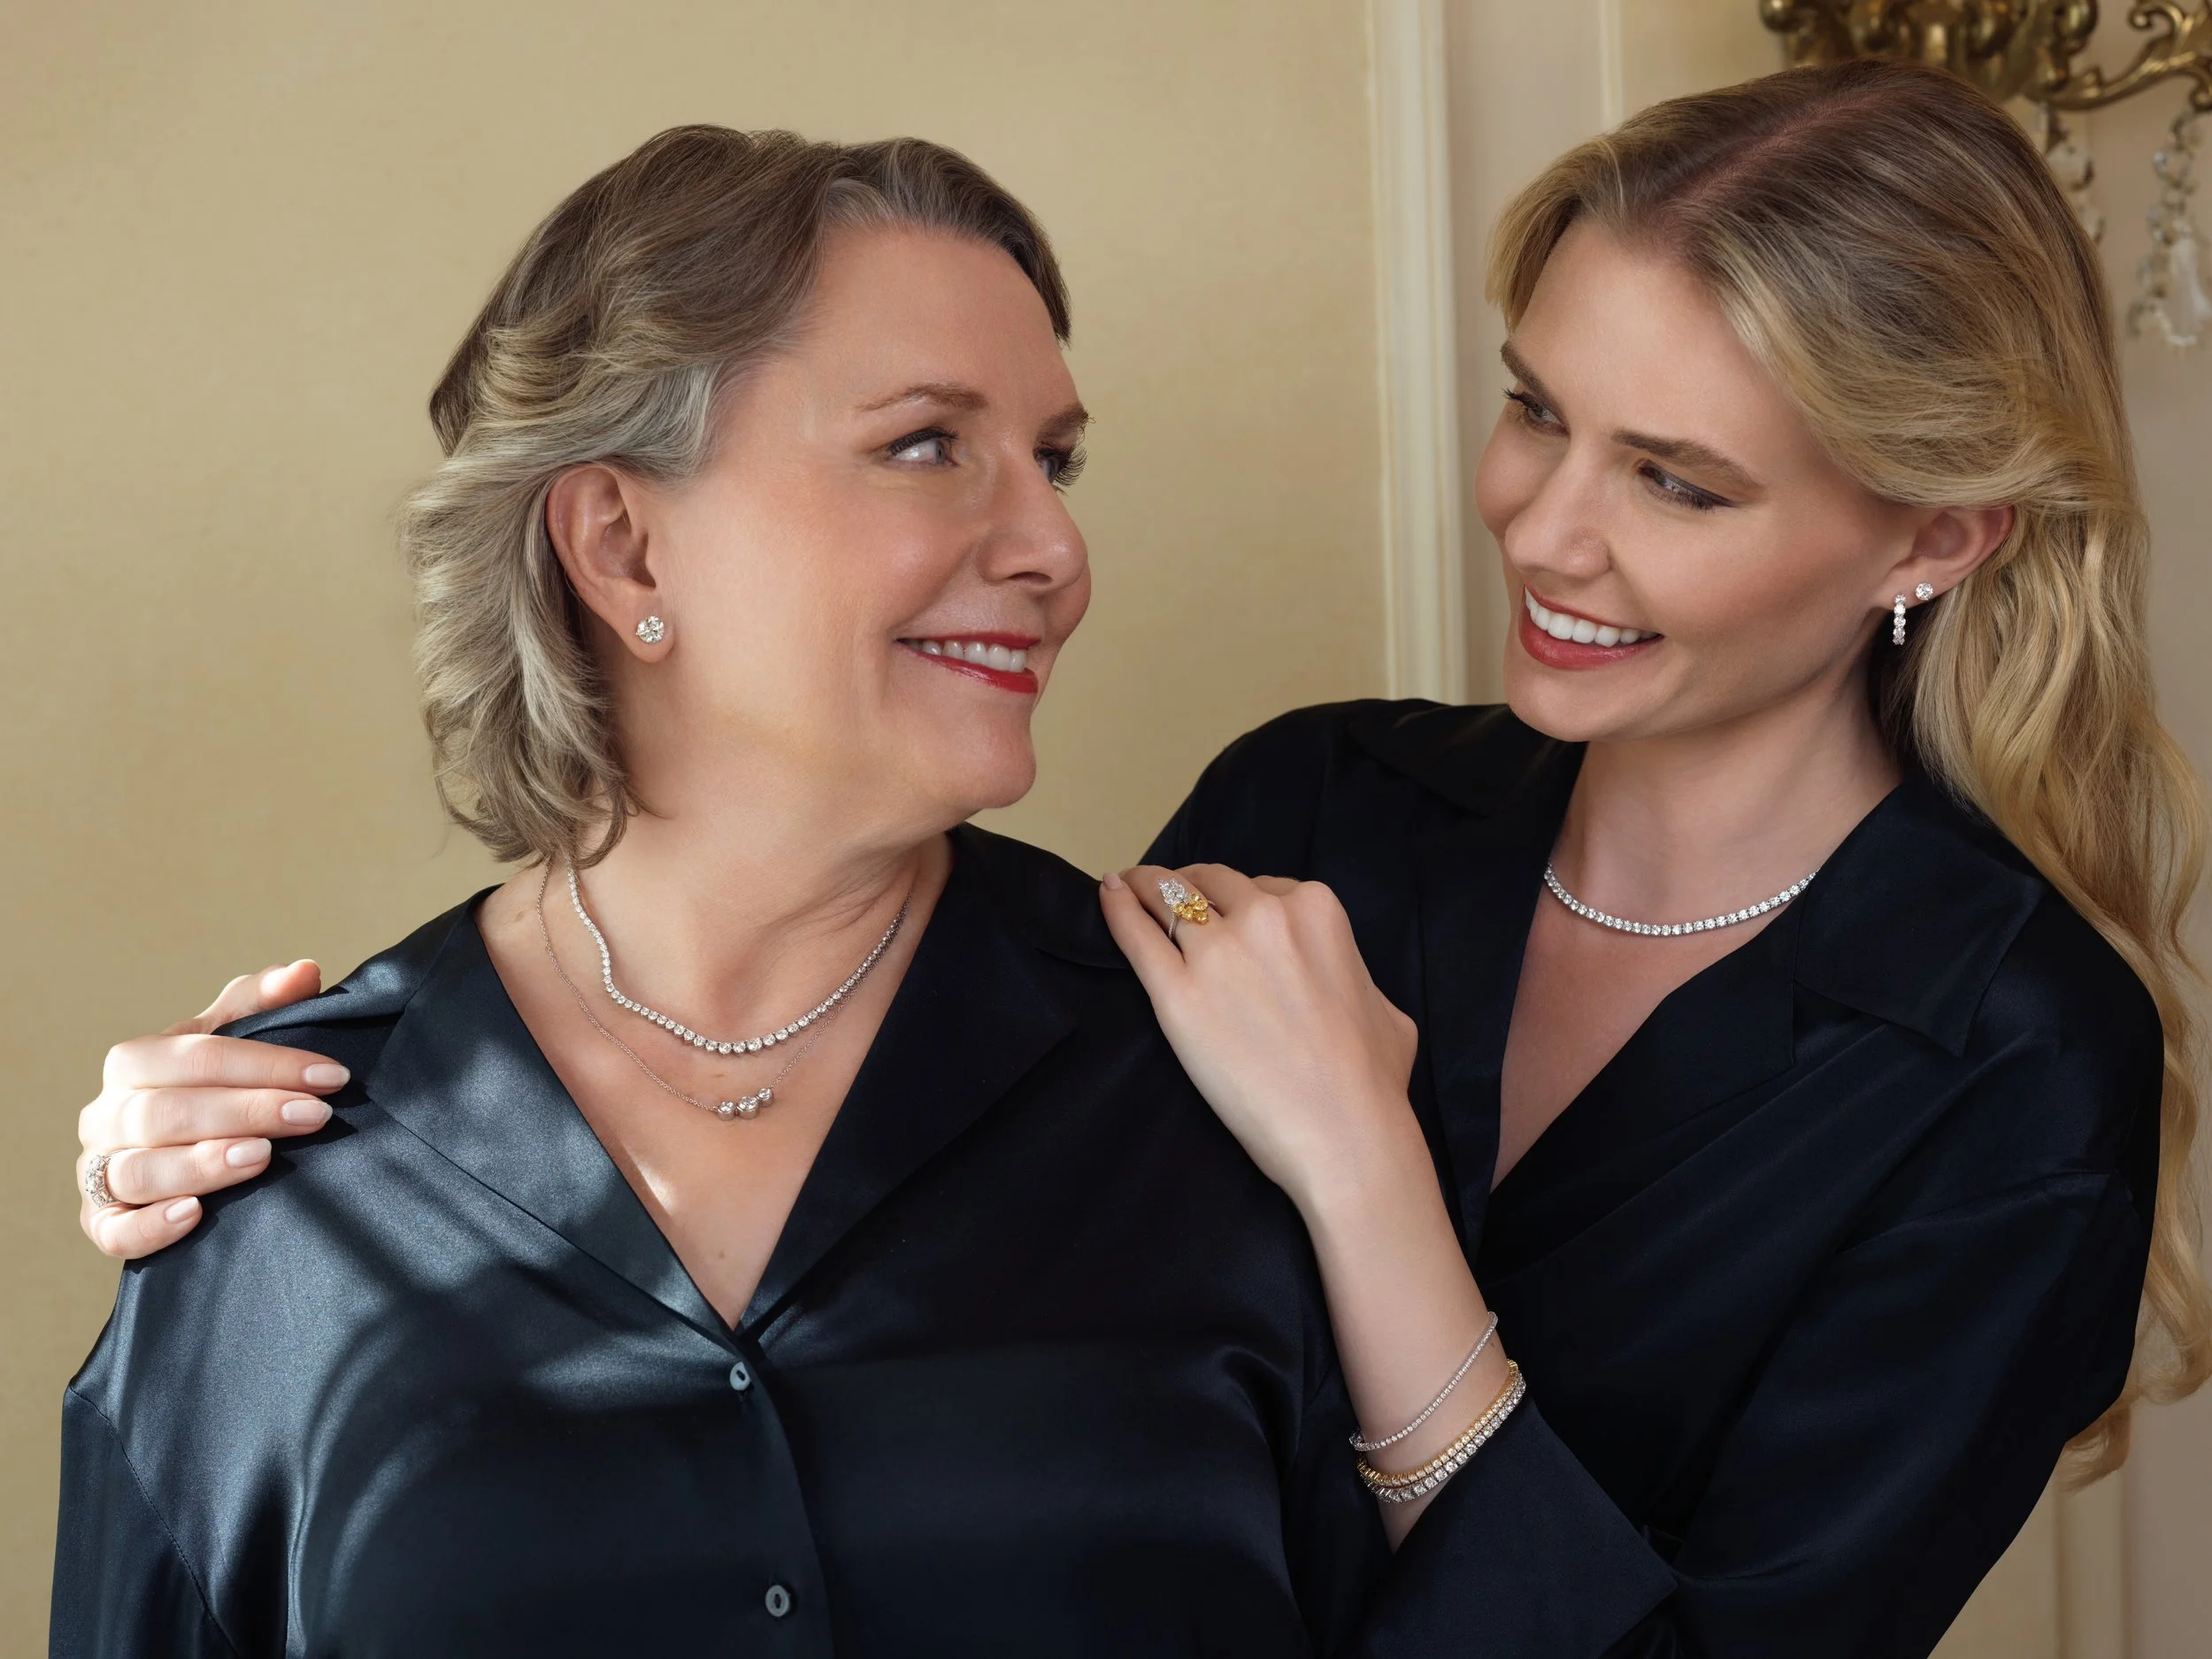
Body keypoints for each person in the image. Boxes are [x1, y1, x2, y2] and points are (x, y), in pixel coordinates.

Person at [70, 64, 2212, 1658]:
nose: (1545, 528)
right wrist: (276, 1178)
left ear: (1932, 536)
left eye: (1675, 480)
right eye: (1531, 411)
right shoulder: (1315, 815)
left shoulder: (2011, 1061)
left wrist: (1365, 1178)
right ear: (618, 542)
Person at [53, 127, 1497, 1658]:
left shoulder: (1233, 1076)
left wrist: (1367, 1172)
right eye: (928, 443)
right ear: (623, 545)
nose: (1056, 549)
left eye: (1055, 461)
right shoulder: (278, 1173)